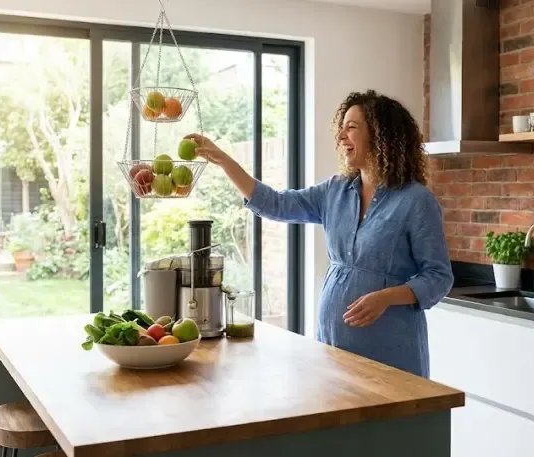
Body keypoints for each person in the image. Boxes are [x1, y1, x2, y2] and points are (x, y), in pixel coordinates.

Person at [185, 89, 454, 378]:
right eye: (342, 129)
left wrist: (386, 297)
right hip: (333, 345)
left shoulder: (415, 200)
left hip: (391, 349)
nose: (341, 138)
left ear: (381, 135)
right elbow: (276, 204)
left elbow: (439, 277)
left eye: (351, 128)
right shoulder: (334, 191)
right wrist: (224, 160)